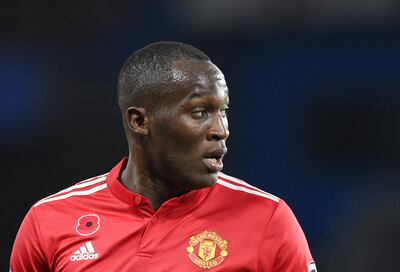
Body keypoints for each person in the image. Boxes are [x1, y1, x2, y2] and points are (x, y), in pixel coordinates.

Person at [10, 41, 316, 271]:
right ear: (140, 121)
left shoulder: (267, 220)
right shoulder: (49, 222)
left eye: (223, 111)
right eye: (200, 112)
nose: (220, 130)